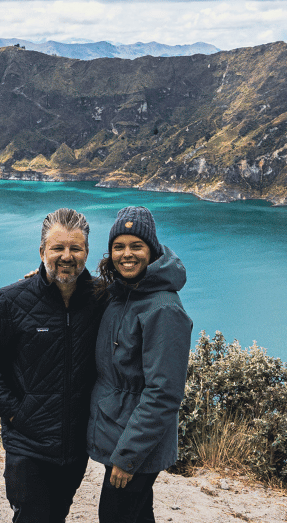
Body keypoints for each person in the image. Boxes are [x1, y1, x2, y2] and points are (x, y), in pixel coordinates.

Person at [0, 208, 105, 523]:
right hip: (27, 442)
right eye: (58, 248)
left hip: (75, 444)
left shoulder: (102, 298)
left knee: (56, 515)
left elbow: (142, 286)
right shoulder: (12, 300)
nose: (67, 256)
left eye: (75, 248)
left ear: (86, 252)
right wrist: (12, 410)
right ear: (42, 251)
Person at [89, 206, 192, 523]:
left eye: (137, 246)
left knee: (114, 516)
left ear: (152, 250)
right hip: (119, 430)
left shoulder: (163, 309)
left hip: (135, 443)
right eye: (118, 246)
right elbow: (86, 290)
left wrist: (128, 456)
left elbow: (163, 393)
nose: (126, 254)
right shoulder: (125, 292)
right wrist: (44, 279)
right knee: (137, 514)